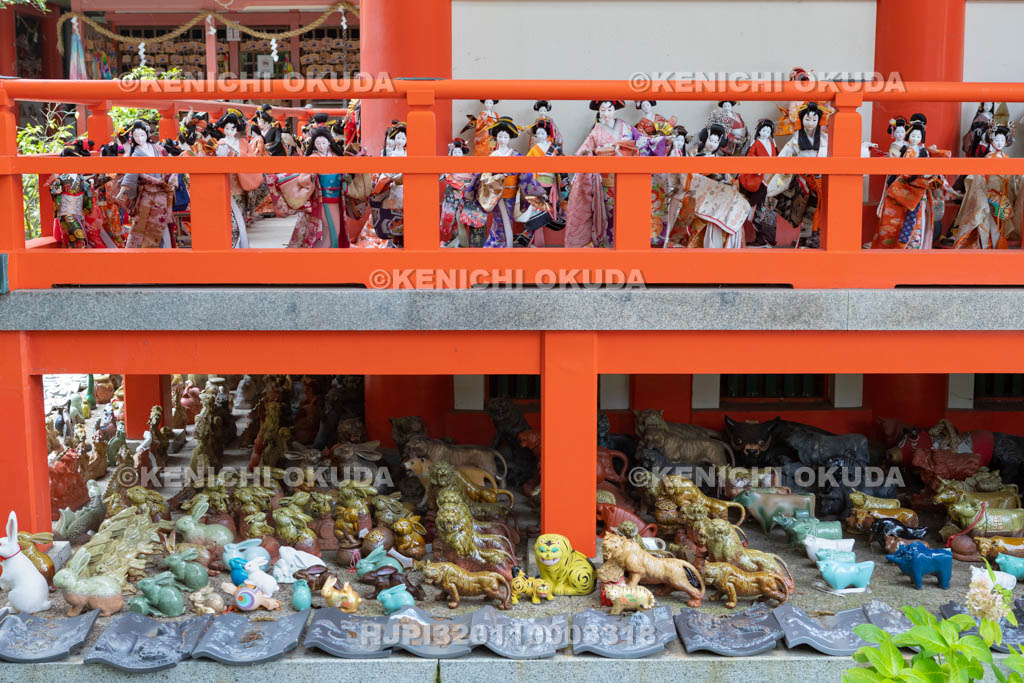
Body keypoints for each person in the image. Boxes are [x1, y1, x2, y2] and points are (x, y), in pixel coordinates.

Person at [950, 125, 1021, 249]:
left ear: (1006, 142)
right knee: (988, 225)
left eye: (1002, 140)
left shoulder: (1007, 159)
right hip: (989, 198)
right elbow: (978, 179)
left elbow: (1013, 179)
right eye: (997, 140)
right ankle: (988, 251)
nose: (999, 143)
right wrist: (985, 196)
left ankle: (999, 251)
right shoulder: (987, 158)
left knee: (1001, 227)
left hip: (1004, 197)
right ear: (991, 140)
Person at [118, 120, 177, 249]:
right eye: (136, 136)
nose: (139, 138)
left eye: (142, 135)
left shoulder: (158, 149)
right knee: (142, 224)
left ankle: (166, 250)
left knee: (163, 224)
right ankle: (141, 252)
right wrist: (123, 190)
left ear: (147, 134)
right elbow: (131, 174)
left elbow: (171, 167)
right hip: (147, 196)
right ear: (132, 137)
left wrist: (172, 181)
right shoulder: (136, 154)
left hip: (163, 193)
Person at [738, 118, 779, 247]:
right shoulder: (755, 144)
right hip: (759, 177)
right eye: (763, 130)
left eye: (768, 131)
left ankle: (769, 240)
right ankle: (761, 239)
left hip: (771, 179)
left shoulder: (772, 144)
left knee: (770, 211)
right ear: (759, 131)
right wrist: (759, 169)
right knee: (759, 210)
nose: (766, 133)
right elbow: (750, 158)